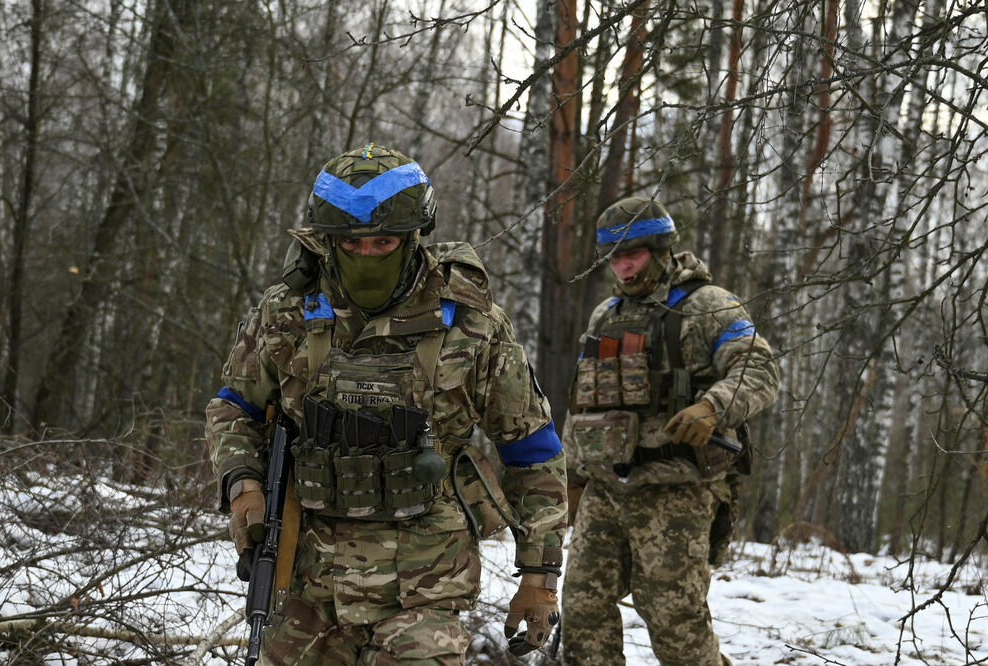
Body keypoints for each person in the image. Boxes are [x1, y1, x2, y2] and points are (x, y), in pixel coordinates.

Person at [206, 143, 567, 664]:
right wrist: (242, 484)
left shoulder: (471, 322)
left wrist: (539, 577)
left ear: (415, 236)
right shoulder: (288, 311)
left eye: (384, 241)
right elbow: (233, 406)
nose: (368, 255)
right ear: (328, 242)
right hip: (306, 583)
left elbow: (532, 450)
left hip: (424, 591)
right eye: (352, 245)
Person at [560, 196, 779, 666]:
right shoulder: (606, 315)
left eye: (633, 254)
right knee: (582, 610)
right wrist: (574, 478)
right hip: (606, 489)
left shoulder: (708, 306)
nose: (623, 266)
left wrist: (713, 406)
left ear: (660, 249)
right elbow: (584, 399)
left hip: (676, 488)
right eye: (615, 257)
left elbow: (758, 369)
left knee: (674, 620)